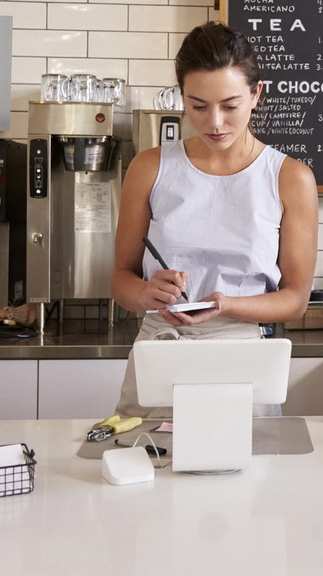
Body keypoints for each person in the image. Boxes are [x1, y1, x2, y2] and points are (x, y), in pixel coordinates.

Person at [112, 21, 319, 418]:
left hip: (241, 357)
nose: (215, 123)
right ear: (182, 98)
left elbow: (295, 301)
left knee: (244, 473)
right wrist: (145, 294)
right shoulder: (149, 167)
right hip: (161, 350)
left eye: (230, 105)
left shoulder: (291, 177)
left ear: (256, 94)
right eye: (198, 106)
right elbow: (121, 278)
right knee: (145, 469)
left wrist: (226, 304)